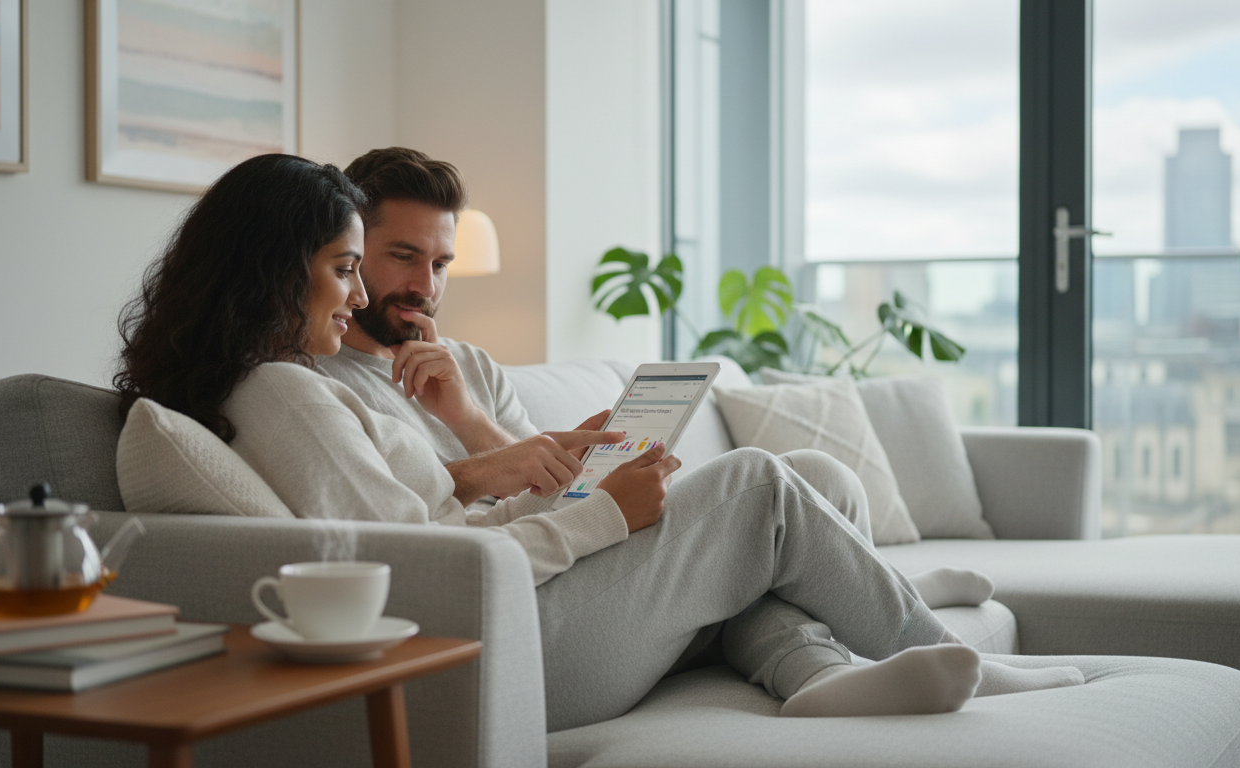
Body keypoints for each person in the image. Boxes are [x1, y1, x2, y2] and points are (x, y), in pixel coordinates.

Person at [115, 153, 1082, 734]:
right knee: (753, 487)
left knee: (756, 512)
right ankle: (933, 643)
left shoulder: (276, 387)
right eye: (347, 268)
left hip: (509, 617)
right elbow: (418, 571)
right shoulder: (288, 391)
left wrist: (576, 488)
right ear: (278, 271)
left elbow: (434, 525)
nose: (365, 292)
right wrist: (595, 521)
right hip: (502, 646)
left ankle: (820, 673)